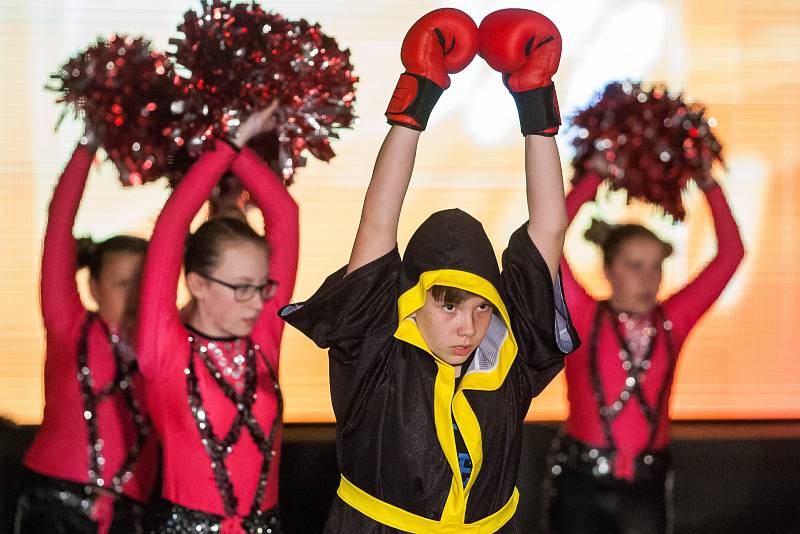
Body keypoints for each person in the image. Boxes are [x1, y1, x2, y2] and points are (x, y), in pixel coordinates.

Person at [280, 8, 577, 533]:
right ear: (416, 298)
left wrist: (535, 104)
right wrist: (418, 96)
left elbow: (549, 228)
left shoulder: (509, 363)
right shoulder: (374, 348)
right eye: (449, 305)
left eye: (483, 307)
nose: (469, 325)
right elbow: (377, 221)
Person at [543, 153, 745, 534]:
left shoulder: (674, 320)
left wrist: (709, 184)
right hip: (579, 482)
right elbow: (547, 245)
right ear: (607, 268)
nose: (648, 278)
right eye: (634, 265)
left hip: (646, 486)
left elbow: (731, 255)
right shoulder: (584, 315)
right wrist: (590, 180)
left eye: (656, 266)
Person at [136, 103, 299, 533]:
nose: (256, 301)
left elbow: (284, 215)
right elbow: (171, 228)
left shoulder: (262, 335)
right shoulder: (164, 350)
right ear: (198, 284)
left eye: (262, 287)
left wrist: (239, 144)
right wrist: (228, 142)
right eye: (242, 287)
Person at [17, 138, 158, 534]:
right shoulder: (70, 325)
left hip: (129, 512)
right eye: (121, 283)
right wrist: (89, 145)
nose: (133, 296)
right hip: (54, 505)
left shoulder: (163, 347)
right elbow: (59, 225)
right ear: (93, 286)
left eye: (144, 284)